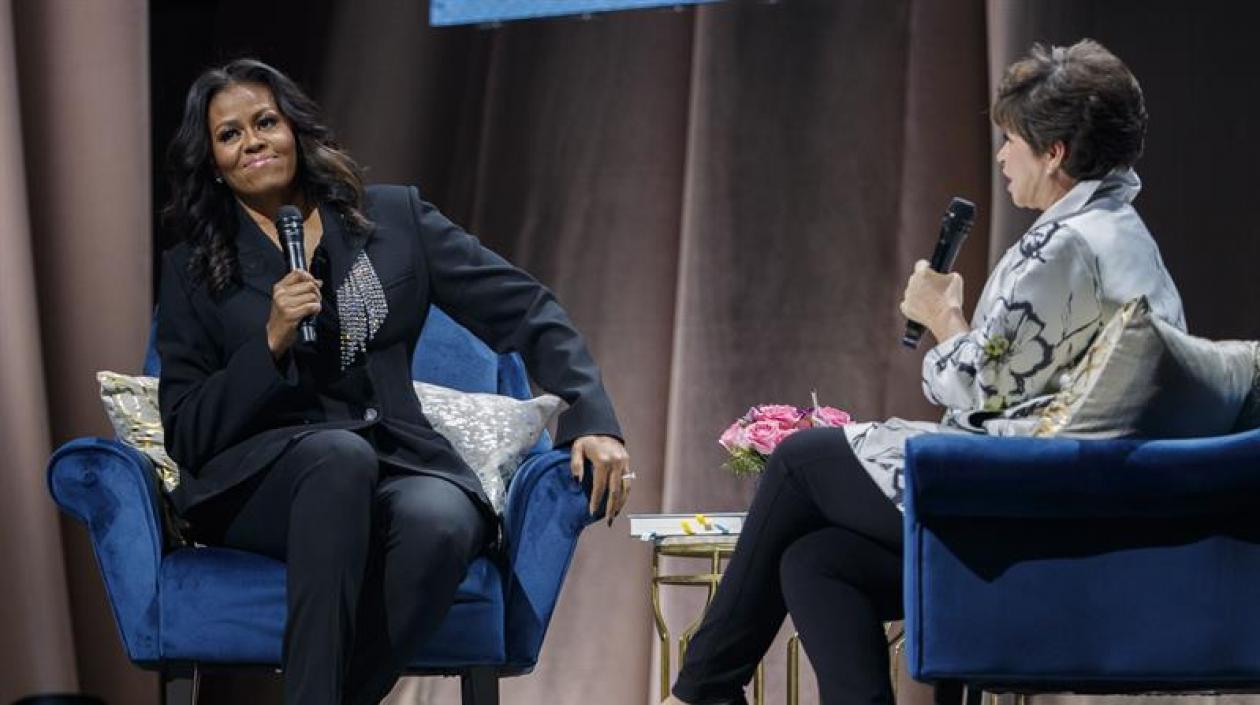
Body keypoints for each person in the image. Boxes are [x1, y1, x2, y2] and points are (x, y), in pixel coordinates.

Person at [664, 39, 1183, 705]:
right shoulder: (1124, 233)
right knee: (816, 562)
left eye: (1011, 141)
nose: (1001, 157)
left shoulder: (1066, 245)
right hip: (1075, 501)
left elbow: (977, 389)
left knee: (800, 459)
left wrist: (943, 316)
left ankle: (700, 691)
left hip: (1034, 508)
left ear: (1054, 153)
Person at [156, 58, 631, 705]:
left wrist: (592, 417)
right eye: (229, 134)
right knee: (337, 456)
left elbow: (524, 307)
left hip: (399, 461)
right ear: (213, 163)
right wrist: (269, 343)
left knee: (441, 520)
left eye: (265, 122)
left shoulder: (391, 220)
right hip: (260, 484)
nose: (253, 142)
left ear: (294, 129)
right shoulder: (192, 269)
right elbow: (186, 430)